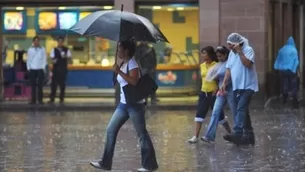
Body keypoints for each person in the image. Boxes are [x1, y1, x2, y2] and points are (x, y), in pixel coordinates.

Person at [90, 40, 158, 172]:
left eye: (120, 49)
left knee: (142, 134)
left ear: (126, 51)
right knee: (111, 130)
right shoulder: (123, 63)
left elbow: (134, 81)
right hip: (123, 104)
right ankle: (105, 163)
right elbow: (120, 82)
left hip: (134, 105)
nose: (118, 51)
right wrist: (116, 71)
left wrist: (119, 72)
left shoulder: (132, 64)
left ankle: (149, 165)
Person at [221, 33, 258, 146]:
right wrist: (224, 82)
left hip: (248, 86)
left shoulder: (248, 50)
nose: (229, 47)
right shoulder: (232, 53)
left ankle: (237, 133)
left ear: (237, 44)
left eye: (231, 45)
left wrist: (240, 51)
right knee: (243, 110)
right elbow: (228, 68)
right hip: (237, 86)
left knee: (241, 108)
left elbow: (247, 64)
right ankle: (249, 135)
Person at [187, 46, 230, 144]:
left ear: (210, 54)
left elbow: (219, 79)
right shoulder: (202, 65)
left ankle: (230, 133)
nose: (202, 55)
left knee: (220, 117)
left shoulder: (217, 65)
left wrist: (218, 88)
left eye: (204, 53)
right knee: (199, 115)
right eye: (202, 53)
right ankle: (195, 136)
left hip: (214, 93)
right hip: (203, 93)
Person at [201, 46, 234, 143]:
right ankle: (210, 136)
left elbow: (231, 76)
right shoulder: (219, 65)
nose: (219, 58)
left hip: (230, 90)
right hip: (221, 90)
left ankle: (239, 132)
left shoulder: (230, 63)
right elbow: (214, 77)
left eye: (220, 56)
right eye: (218, 56)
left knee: (235, 111)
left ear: (225, 55)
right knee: (215, 112)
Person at [273, 36, 299, 108]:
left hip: (282, 70)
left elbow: (278, 59)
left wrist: (276, 66)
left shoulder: (282, 49)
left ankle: (285, 97)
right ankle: (294, 99)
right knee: (293, 84)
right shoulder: (294, 50)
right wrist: (294, 69)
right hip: (291, 70)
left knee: (284, 83)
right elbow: (296, 61)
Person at [48, 36, 71, 104]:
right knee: (53, 85)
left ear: (63, 42)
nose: (60, 43)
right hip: (55, 69)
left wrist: (65, 56)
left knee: (62, 85)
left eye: (61, 41)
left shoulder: (66, 49)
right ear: (57, 42)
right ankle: (52, 98)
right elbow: (52, 58)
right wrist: (54, 60)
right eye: (59, 41)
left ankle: (61, 98)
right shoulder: (54, 49)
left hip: (63, 69)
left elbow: (69, 58)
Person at [26, 36, 47, 104]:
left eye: (38, 41)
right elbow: (28, 59)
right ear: (33, 42)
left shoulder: (42, 49)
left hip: (40, 69)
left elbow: (44, 59)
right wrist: (28, 68)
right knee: (33, 85)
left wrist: (43, 67)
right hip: (32, 69)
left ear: (39, 42)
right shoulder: (30, 49)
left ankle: (40, 100)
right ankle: (33, 100)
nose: (36, 42)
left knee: (40, 85)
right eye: (35, 41)